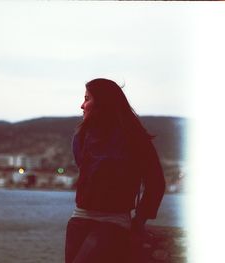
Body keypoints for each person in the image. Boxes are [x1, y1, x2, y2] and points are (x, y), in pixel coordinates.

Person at [65, 78, 166, 263]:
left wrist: (139, 220)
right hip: (78, 220)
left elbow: (156, 183)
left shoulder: (136, 139)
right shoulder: (81, 137)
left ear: (102, 103)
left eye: (87, 99)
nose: (82, 105)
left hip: (113, 224)